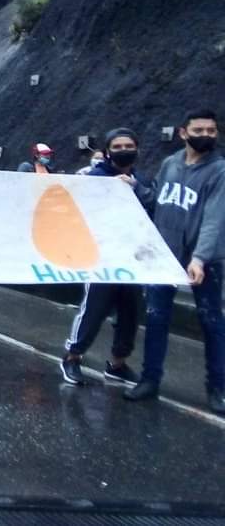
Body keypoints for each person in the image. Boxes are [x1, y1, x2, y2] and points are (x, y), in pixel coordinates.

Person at [125, 110, 225, 414]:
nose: (206, 134)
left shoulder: (220, 171)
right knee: (156, 319)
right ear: (183, 133)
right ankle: (150, 379)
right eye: (199, 129)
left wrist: (200, 258)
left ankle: (218, 388)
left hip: (204, 262)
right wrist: (133, 188)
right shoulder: (169, 164)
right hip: (164, 257)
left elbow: (214, 219)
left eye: (211, 130)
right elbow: (158, 200)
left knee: (212, 323)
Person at [60, 129, 152, 386]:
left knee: (130, 312)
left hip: (132, 259)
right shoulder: (95, 178)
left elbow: (152, 208)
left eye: (129, 145)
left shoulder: (140, 180)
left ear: (138, 149)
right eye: (118, 146)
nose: (124, 150)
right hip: (100, 258)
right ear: (108, 151)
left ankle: (117, 364)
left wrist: (137, 189)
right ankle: (72, 356)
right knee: (94, 309)